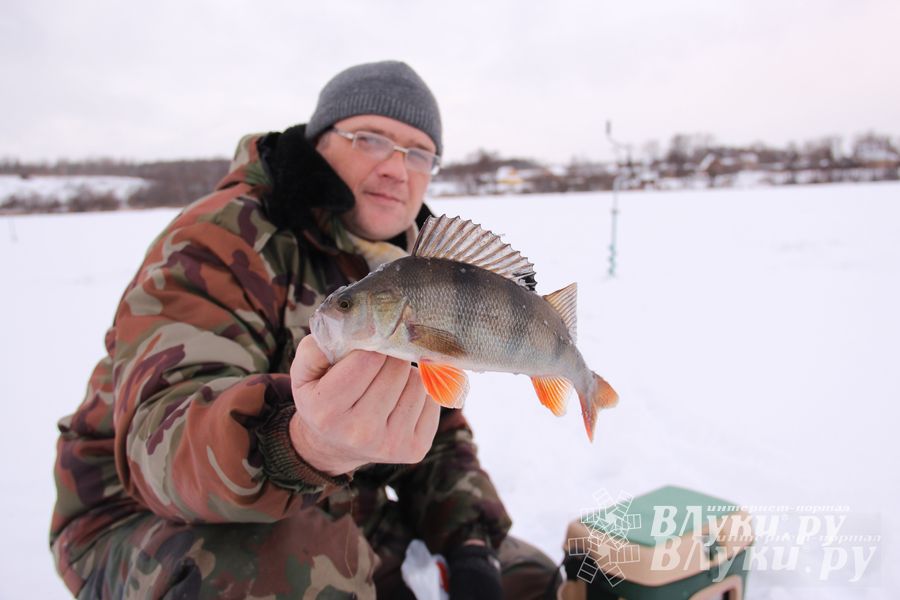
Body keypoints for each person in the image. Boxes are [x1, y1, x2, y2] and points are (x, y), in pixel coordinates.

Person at [50, 60, 562, 599]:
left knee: (525, 580)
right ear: (320, 142)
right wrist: (300, 443)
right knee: (296, 577)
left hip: (339, 506)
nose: (398, 168)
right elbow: (158, 439)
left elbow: (439, 432)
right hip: (143, 518)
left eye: (419, 153)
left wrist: (470, 546)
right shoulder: (218, 241)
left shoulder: (406, 268)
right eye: (372, 139)